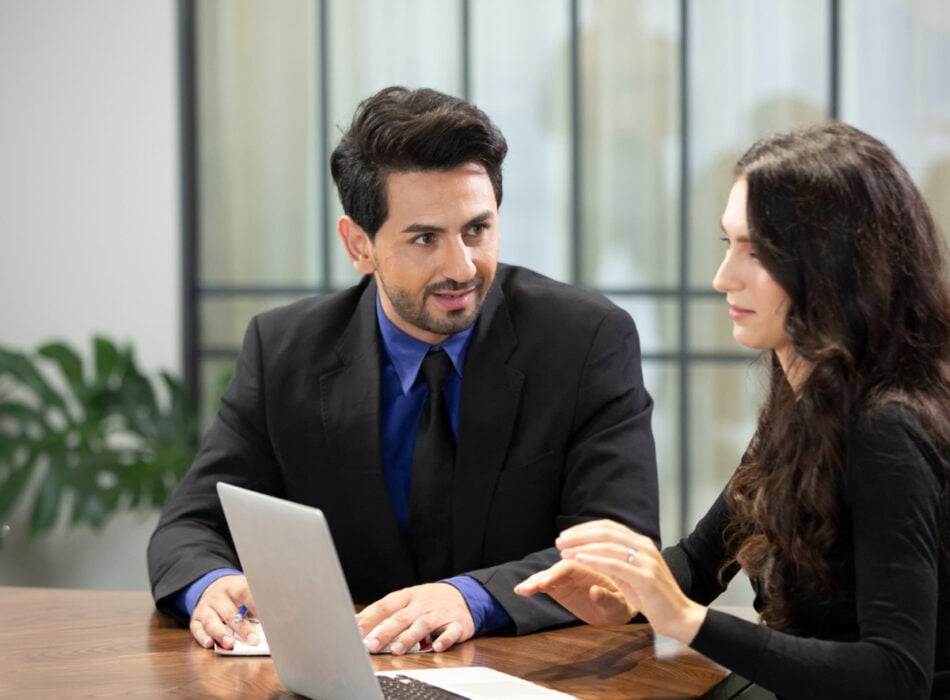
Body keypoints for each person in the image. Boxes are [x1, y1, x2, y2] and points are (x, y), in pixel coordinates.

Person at [148, 86, 659, 655]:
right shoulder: (284, 350)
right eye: (424, 239)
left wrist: (473, 597)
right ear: (359, 245)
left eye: (476, 230)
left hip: (534, 668)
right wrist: (211, 584)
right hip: (348, 673)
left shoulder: (585, 340)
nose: (461, 267)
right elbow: (189, 528)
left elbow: (622, 549)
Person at [515, 122, 950, 699]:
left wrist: (685, 621)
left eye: (758, 252)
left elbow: (897, 676)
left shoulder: (886, 428)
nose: (724, 278)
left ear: (837, 266)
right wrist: (625, 597)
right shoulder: (804, 401)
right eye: (729, 243)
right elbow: (701, 564)